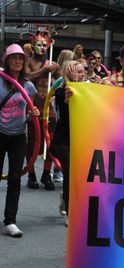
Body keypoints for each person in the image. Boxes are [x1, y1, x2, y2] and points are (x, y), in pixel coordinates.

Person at [0, 44, 40, 237]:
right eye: (13, 57)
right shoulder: (0, 81)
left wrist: (33, 114)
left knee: (15, 179)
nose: (17, 60)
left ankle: (10, 221)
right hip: (0, 133)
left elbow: (29, 112)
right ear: (7, 60)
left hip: (18, 136)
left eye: (20, 58)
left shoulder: (28, 86)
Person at [51, 60, 87, 227]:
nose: (81, 74)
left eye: (82, 71)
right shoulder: (60, 92)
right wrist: (72, 82)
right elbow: (67, 99)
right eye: (77, 71)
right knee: (71, 174)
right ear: (68, 73)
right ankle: (72, 213)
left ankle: (66, 198)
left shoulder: (89, 90)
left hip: (81, 140)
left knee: (79, 177)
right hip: (63, 141)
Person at [24, 31, 60, 190]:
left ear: (49, 46)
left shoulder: (53, 63)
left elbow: (63, 81)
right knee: (32, 143)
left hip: (49, 109)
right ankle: (31, 174)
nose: (42, 47)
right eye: (39, 44)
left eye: (45, 45)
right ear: (33, 46)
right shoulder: (29, 62)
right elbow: (25, 78)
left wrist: (54, 71)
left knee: (50, 143)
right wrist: (43, 71)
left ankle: (46, 174)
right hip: (33, 107)